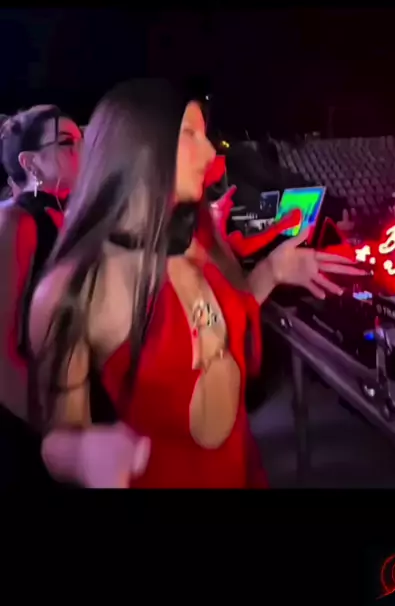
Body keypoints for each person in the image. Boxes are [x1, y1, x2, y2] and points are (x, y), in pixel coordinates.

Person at [29, 79, 364, 489]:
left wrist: (272, 271)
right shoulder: (74, 287)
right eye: (190, 134)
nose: (209, 153)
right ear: (138, 147)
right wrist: (83, 453)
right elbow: (57, 438)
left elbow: (226, 323)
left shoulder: (203, 235)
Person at [0, 105, 82, 486]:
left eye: (82, 141)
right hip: (34, 429)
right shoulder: (16, 222)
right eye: (67, 143)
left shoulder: (77, 221)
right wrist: (55, 431)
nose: (81, 152)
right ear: (30, 163)